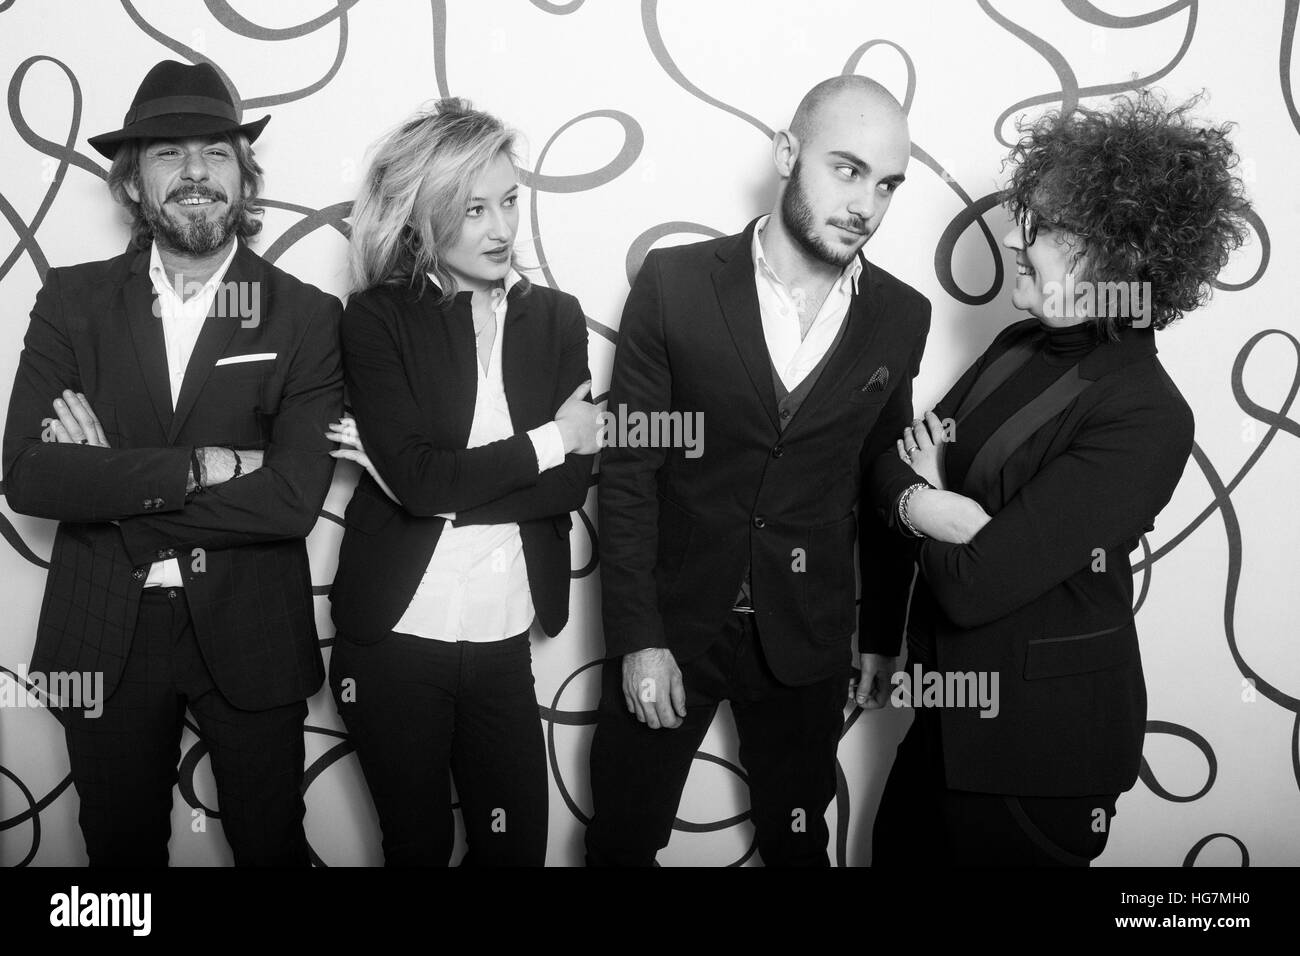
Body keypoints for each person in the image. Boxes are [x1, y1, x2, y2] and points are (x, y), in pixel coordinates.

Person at [864, 90, 1252, 866]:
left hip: (1039, 758)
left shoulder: (1147, 413)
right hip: (943, 714)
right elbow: (887, 466)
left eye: (1040, 226)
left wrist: (932, 505)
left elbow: (976, 585)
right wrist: (932, 506)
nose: (1012, 236)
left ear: (1118, 254)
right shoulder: (1016, 344)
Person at [2, 60, 343, 865]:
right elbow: (29, 475)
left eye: (215, 153)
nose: (195, 173)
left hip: (252, 629)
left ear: (243, 176)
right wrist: (204, 465)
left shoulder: (303, 314)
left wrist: (112, 477)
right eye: (167, 154)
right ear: (132, 184)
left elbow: (292, 498)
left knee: (272, 848)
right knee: (118, 859)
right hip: (104, 633)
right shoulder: (71, 301)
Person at [587, 75, 931, 866]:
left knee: (798, 843)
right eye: (846, 171)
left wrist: (881, 634)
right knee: (622, 839)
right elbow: (632, 468)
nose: (866, 206)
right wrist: (640, 639)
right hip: (675, 624)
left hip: (805, 636)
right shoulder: (675, 285)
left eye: (887, 186)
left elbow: (882, 476)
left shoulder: (901, 315)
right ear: (787, 154)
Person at [326, 98, 599, 866]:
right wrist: (548, 440)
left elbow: (569, 487)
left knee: (514, 851)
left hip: (501, 638)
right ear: (424, 216)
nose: (501, 228)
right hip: (394, 642)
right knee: (414, 848)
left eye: (510, 201)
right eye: (473, 209)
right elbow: (429, 480)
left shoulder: (556, 319)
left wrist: (420, 483)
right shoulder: (377, 318)